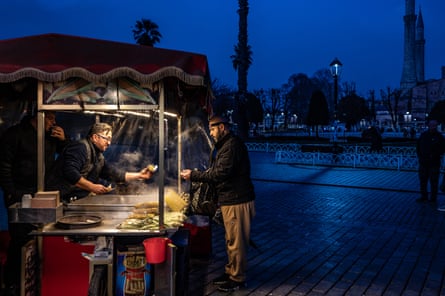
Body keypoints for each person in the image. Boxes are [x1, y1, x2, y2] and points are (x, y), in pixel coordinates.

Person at [180, 115, 256, 292]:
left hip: (238, 200)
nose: (211, 133)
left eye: (213, 129)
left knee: (237, 242)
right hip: (231, 199)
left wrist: (194, 175)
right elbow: (217, 171)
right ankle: (231, 272)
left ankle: (237, 279)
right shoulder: (226, 145)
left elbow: (220, 173)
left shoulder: (232, 145)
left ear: (222, 127)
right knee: (231, 240)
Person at [0, 111, 68, 296]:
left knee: (40, 236)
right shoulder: (15, 134)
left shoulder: (50, 137)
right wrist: (12, 193)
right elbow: (4, 166)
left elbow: (66, 157)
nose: (53, 122)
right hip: (19, 194)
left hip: (43, 194)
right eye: (50, 118)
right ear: (37, 117)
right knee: (20, 239)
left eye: (54, 118)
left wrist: (63, 140)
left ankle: (34, 278)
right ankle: (12, 283)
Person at [46, 122, 153, 202]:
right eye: (107, 138)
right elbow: (70, 172)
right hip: (58, 200)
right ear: (95, 137)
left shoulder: (98, 156)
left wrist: (140, 175)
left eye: (110, 139)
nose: (109, 143)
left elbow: (113, 174)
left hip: (73, 200)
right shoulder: (80, 147)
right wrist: (92, 187)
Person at [416, 118, 445, 203]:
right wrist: (420, 157)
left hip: (434, 163)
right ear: (428, 125)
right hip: (424, 163)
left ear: (436, 126)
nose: (432, 127)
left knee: (434, 182)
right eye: (431, 125)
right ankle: (424, 196)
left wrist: (435, 154)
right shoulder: (424, 135)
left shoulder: (439, 137)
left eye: (434, 125)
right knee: (423, 181)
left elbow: (443, 149)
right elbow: (418, 147)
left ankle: (433, 198)